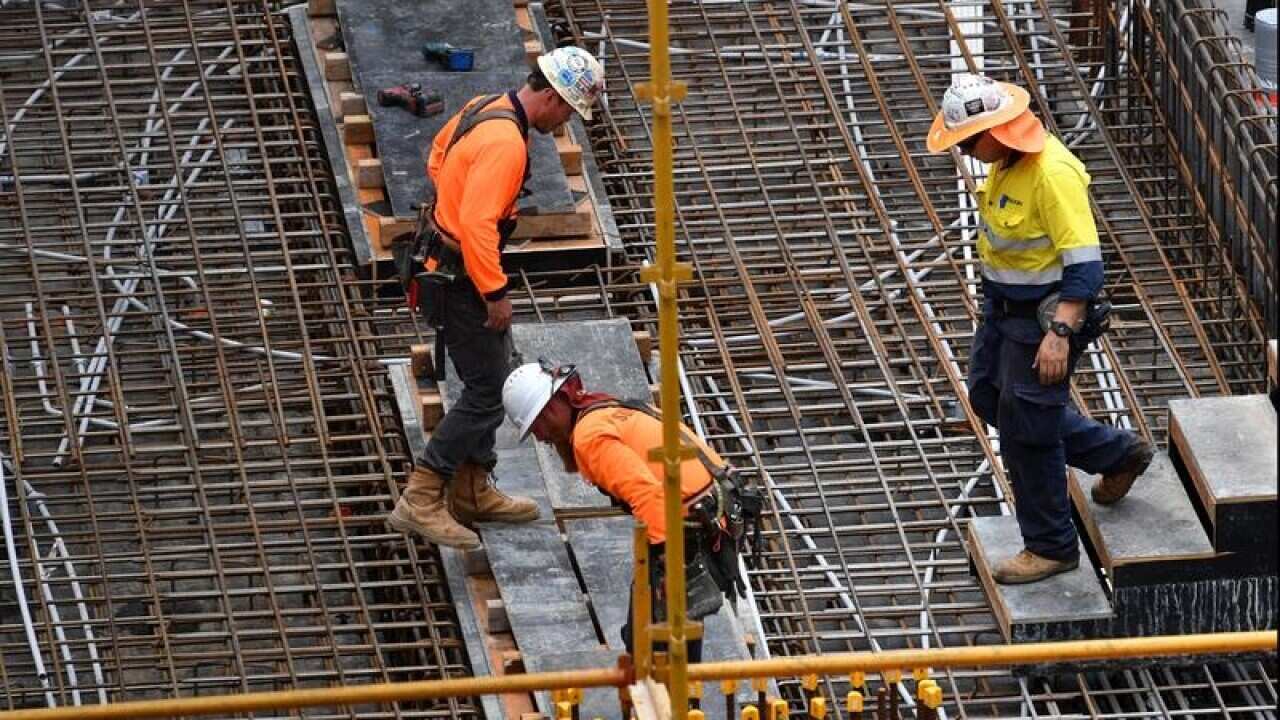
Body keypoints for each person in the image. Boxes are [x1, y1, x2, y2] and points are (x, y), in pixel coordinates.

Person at [927, 74, 1154, 584]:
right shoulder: (1009, 162)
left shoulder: (1052, 173)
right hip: (1004, 311)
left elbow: (1086, 269)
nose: (964, 150)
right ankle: (1118, 453)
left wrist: (1060, 332)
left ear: (998, 131)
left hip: (1044, 320)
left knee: (1028, 431)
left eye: (968, 141)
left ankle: (1051, 546)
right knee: (989, 397)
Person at [387, 48, 605, 550]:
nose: (566, 120)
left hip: (439, 266)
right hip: (463, 283)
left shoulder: (485, 106)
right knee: (488, 393)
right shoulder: (507, 143)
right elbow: (479, 227)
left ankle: (471, 488)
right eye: (568, 109)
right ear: (550, 96)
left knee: (494, 376)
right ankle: (422, 496)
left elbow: (438, 157)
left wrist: (460, 200)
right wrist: (495, 293)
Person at [501, 360, 763, 662]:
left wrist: (669, 560)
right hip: (713, 511)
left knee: (651, 641)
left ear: (552, 408)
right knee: (665, 633)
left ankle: (676, 703)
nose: (541, 437)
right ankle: (681, 697)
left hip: (687, 526)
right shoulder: (607, 411)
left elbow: (647, 496)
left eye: (537, 426)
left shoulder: (590, 437)